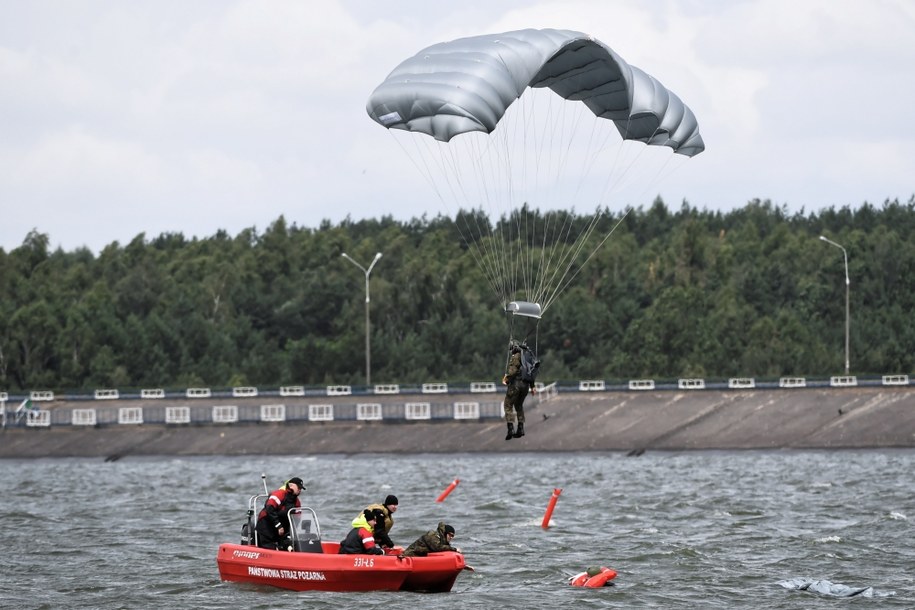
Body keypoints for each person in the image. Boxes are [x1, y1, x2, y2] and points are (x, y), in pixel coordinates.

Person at [255, 477, 305, 550]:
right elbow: (269, 509)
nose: (300, 490)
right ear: (291, 486)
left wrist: (292, 533)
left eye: (301, 489)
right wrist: (278, 526)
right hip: (266, 524)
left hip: (282, 529)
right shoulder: (279, 494)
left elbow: (296, 519)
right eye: (298, 487)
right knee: (269, 546)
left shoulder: (297, 502)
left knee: (286, 545)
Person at [502, 341, 535, 440]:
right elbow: (531, 374)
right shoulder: (527, 358)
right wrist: (532, 387)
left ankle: (510, 429)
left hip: (515, 386)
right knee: (519, 406)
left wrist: (506, 379)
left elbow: (512, 372)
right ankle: (520, 428)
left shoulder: (516, 356)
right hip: (525, 387)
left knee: (508, 405)